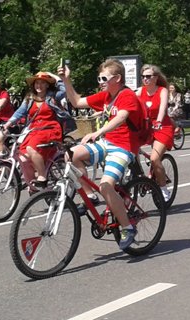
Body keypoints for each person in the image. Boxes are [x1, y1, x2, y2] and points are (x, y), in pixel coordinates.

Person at [58, 58, 143, 250]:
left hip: (123, 147)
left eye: (104, 78)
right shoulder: (105, 96)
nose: (101, 82)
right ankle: (91, 196)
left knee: (105, 186)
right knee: (71, 155)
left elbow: (121, 117)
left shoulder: (127, 95)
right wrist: (66, 80)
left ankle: (128, 228)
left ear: (118, 78)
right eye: (99, 78)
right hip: (106, 143)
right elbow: (77, 101)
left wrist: (98, 132)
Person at [1, 71, 67, 189]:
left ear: (47, 85)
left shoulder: (53, 96)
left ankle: (42, 177)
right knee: (22, 159)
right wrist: (8, 124)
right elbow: (19, 113)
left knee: (31, 148)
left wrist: (55, 77)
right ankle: (33, 187)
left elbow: (65, 89)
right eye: (37, 83)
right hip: (33, 130)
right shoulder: (30, 99)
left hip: (50, 129)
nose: (39, 85)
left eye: (42, 83)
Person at [135, 64, 174, 201]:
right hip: (146, 127)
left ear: (156, 78)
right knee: (129, 151)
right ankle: (137, 177)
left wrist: (158, 121)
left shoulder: (162, 90)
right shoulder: (140, 91)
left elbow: (163, 108)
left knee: (154, 158)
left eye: (148, 76)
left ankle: (164, 189)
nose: (145, 79)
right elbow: (128, 103)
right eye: (143, 76)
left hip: (162, 126)